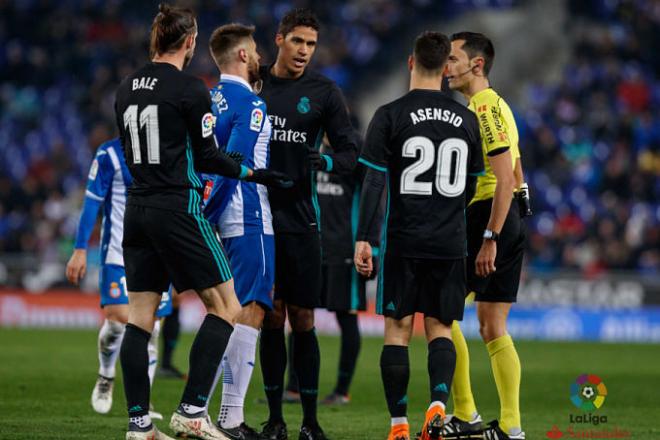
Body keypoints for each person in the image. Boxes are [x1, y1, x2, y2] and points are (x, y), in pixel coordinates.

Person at [114, 5, 291, 440]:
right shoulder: (191, 88)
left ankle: (139, 425)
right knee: (227, 306)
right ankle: (193, 409)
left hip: (137, 209)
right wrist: (253, 173)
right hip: (177, 206)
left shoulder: (124, 88)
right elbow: (211, 156)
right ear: (190, 42)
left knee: (139, 318)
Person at [354, 31, 484, 440]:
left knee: (397, 329)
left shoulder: (389, 114)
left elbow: (374, 183)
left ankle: (397, 426)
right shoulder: (467, 119)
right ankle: (438, 407)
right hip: (449, 241)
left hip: (403, 239)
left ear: (411, 63)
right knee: (440, 329)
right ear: (447, 68)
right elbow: (471, 186)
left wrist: (364, 238)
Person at [256, 8, 358, 440]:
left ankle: (311, 422)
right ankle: (275, 418)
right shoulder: (254, 82)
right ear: (279, 39)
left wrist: (329, 160)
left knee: (303, 318)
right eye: (297, 41)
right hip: (258, 219)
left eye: (311, 44)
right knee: (270, 318)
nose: (304, 51)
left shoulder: (325, 93)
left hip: (301, 220)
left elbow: (354, 154)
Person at [442, 31, 528, 440]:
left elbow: (504, 176)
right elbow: (518, 169)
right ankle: (511, 427)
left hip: (488, 214)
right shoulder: (499, 108)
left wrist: (491, 234)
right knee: (493, 325)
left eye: (453, 58)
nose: (446, 66)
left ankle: (465, 415)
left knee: (442, 311)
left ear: (476, 65)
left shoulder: (484, 106)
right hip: (509, 215)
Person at [201, 23, 275, 440]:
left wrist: (203, 214)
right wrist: (212, 212)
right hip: (246, 215)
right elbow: (233, 162)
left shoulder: (207, 100)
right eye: (256, 50)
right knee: (251, 308)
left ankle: (203, 410)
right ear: (244, 55)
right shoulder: (252, 103)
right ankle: (227, 417)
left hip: (214, 216)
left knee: (224, 310)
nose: (260, 56)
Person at [66, 136, 170, 421]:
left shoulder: (166, 146)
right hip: (117, 254)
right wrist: (79, 249)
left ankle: (143, 401)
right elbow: (92, 202)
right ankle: (106, 374)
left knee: (153, 330)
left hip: (158, 252)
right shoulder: (109, 153)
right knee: (116, 320)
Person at [316, 136, 381, 406]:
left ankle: (342, 390)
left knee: (348, 317)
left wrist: (373, 249)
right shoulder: (311, 151)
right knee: (299, 313)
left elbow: (372, 201)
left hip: (347, 251)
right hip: (314, 248)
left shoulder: (356, 156)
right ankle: (293, 388)